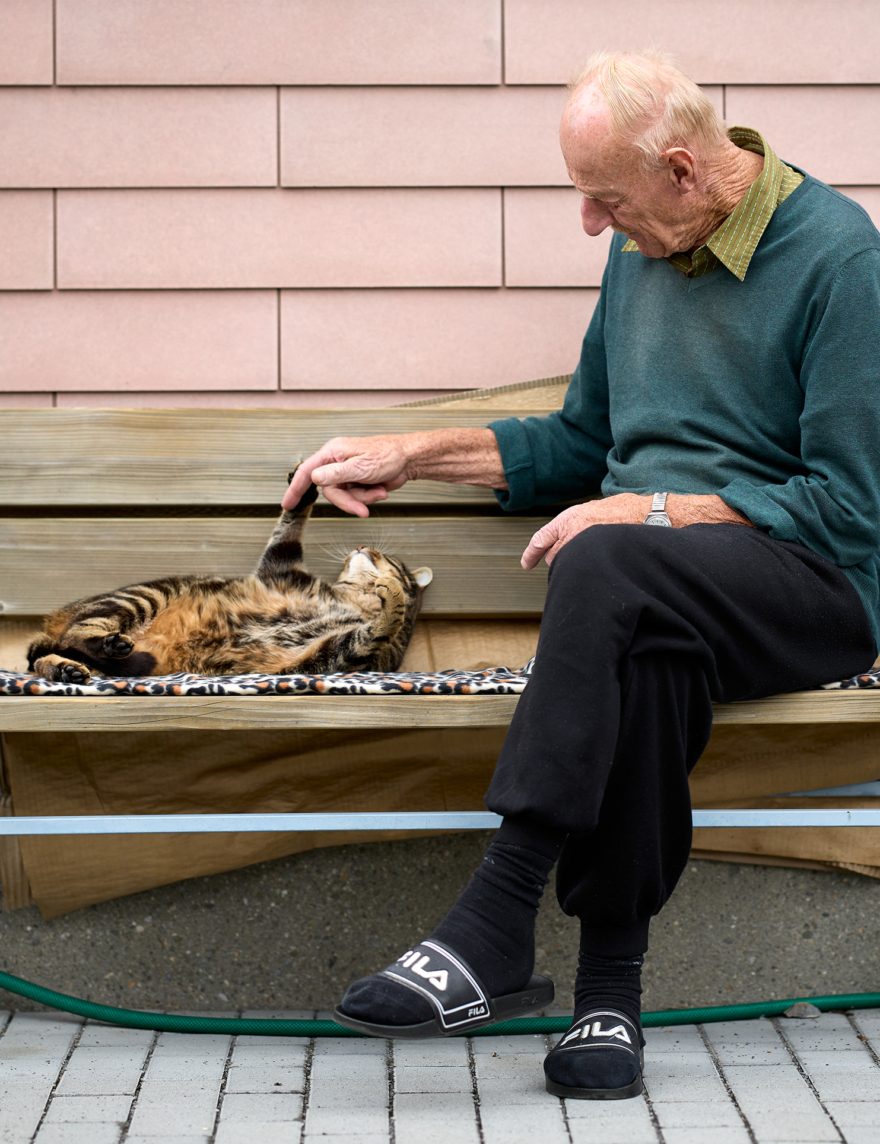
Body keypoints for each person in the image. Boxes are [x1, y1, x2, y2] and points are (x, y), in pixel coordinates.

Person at [282, 50, 880, 1100]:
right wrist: (412, 453)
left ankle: (498, 911)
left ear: (684, 173)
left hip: (808, 587)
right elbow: (578, 443)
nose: (592, 226)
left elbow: (849, 507)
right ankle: (608, 1002)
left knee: (607, 562)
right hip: (652, 590)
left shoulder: (838, 259)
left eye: (606, 199)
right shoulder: (644, 253)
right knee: (643, 647)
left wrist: (642, 511)